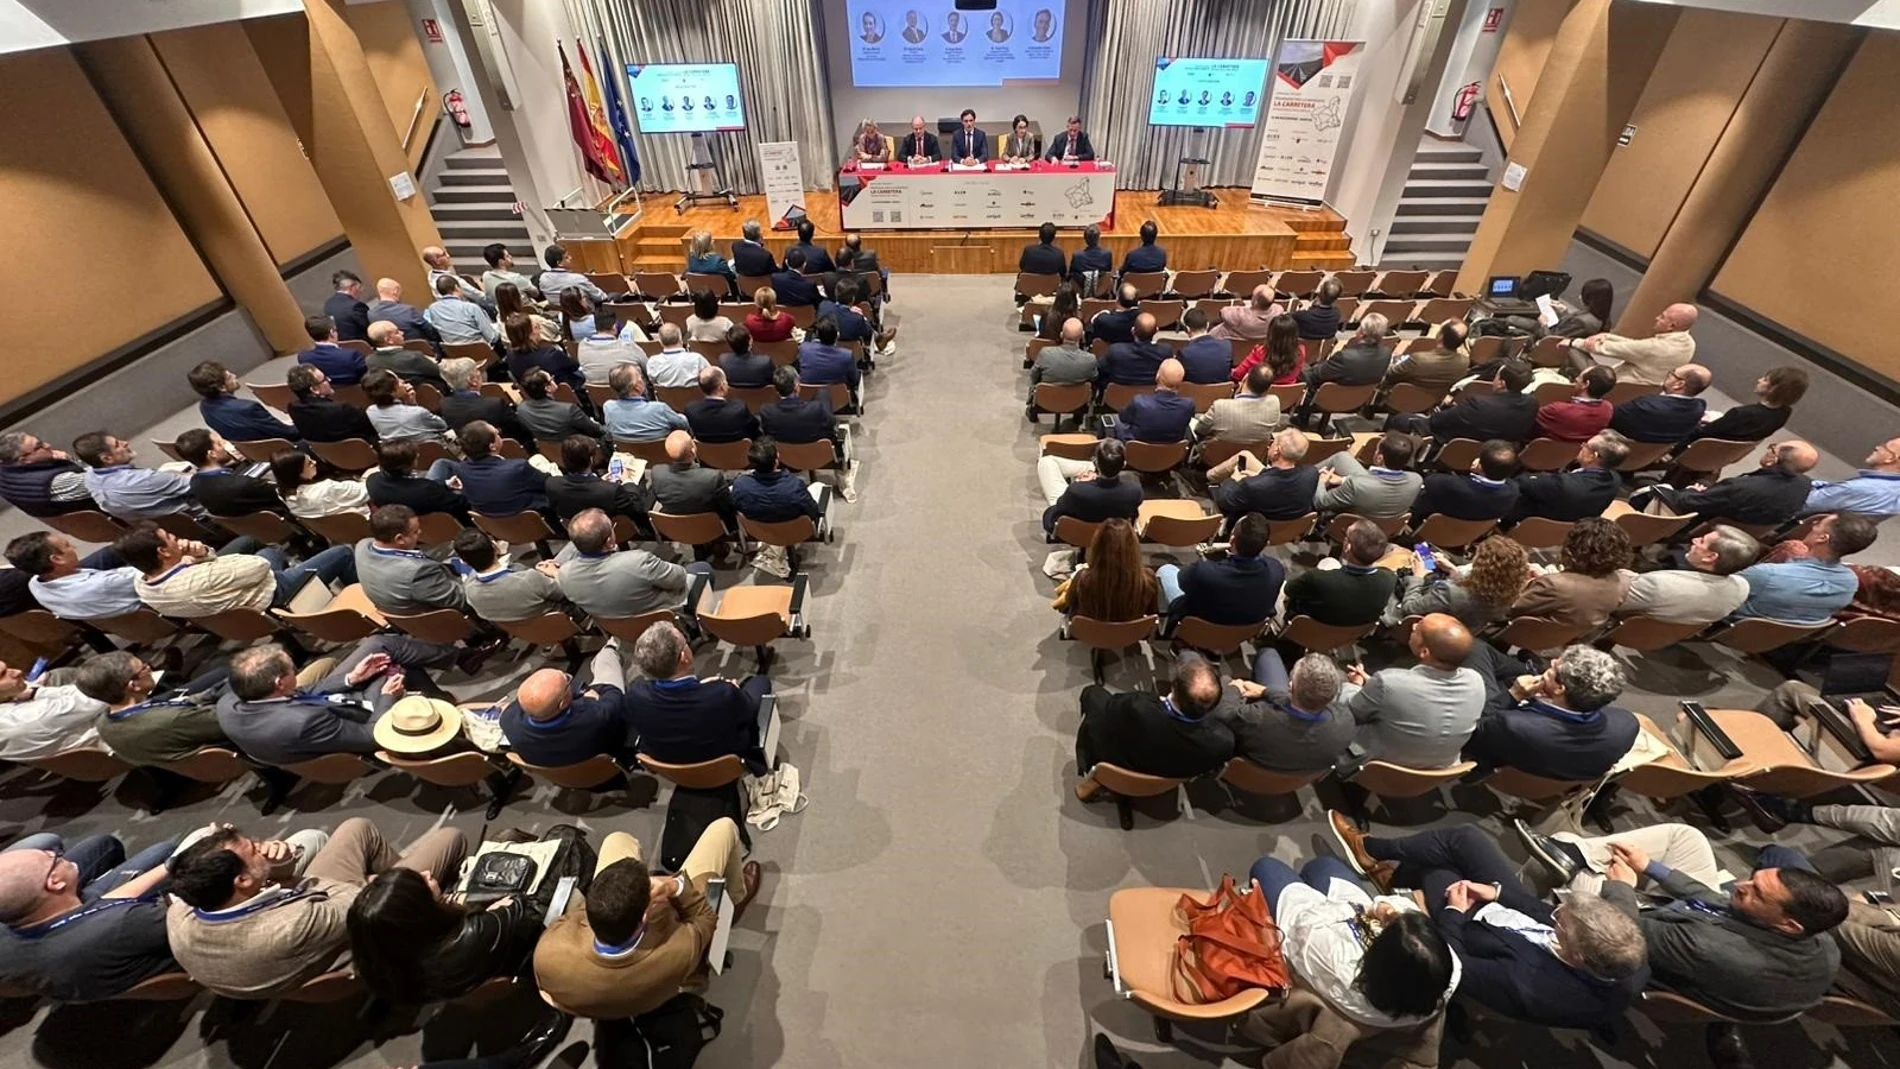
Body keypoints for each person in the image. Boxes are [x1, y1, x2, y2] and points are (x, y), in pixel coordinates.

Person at [1326, 818, 1646, 1031]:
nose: (1556, 913)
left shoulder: (1526, 985)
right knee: (1464, 839)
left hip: (1471, 934)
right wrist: (1498, 892)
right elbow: (1542, 912)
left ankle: (1393, 878)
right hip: (1503, 915)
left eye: (1562, 923)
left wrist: (1453, 911)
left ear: (1578, 956)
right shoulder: (1629, 950)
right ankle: (1373, 853)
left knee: (1439, 868)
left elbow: (1453, 966)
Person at [1517, 821, 1846, 1022]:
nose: (1740, 885)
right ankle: (1570, 854)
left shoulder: (1705, 947)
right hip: (1698, 925)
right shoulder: (1822, 943)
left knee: (1587, 871)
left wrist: (1621, 885)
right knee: (1685, 837)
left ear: (1790, 926)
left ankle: (1521, 898)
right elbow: (1720, 902)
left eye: (1757, 892)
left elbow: (1623, 931)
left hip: (1632, 945)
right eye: (1753, 879)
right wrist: (1650, 867)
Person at [167, 818, 466, 998]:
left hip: (292, 922)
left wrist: (278, 864)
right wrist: (380, 882)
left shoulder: (180, 910)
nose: (261, 846)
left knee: (357, 828)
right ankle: (428, 908)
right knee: (450, 838)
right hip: (339, 930)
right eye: (254, 850)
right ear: (242, 879)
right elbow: (361, 899)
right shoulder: (294, 924)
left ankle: (414, 893)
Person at [534, 819, 758, 1020]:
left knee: (617, 839)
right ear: (645, 914)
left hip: (605, 993)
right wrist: (674, 886)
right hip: (667, 966)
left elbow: (572, 918)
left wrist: (605, 901)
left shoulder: (547, 953)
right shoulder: (678, 951)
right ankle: (738, 897)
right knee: (724, 827)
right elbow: (704, 919)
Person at [1243, 850, 1457, 1037]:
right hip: (1347, 914)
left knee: (1265, 866)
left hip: (1309, 925)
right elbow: (1409, 913)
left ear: (1380, 958)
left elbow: (1304, 924)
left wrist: (1364, 911)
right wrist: (1387, 909)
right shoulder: (1440, 969)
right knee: (1324, 864)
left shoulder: (1341, 967)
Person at [0, 830, 196, 1001]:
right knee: (164, 851)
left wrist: (167, 866)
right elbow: (194, 914)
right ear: (55, 882)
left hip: (82, 947)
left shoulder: (8, 943)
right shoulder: (124, 922)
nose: (54, 851)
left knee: (106, 846)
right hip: (163, 942)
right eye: (52, 857)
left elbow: (102, 910)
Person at [215, 638, 453, 765]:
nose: (297, 673)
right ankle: (442, 716)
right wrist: (389, 695)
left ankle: (449, 684)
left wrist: (352, 678)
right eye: (293, 670)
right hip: (356, 723)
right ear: (279, 683)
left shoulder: (232, 700)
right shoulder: (304, 722)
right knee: (398, 668)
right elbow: (371, 737)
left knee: (378, 647)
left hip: (328, 705)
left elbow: (303, 691)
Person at [346, 861, 543, 1005]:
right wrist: (492, 910)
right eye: (421, 883)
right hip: (530, 954)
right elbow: (527, 909)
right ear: (419, 912)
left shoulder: (392, 962)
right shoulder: (475, 932)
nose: (426, 872)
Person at [1464, 644, 1638, 779]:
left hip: (1502, 757)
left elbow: (1470, 732)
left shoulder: (1512, 724)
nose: (1552, 661)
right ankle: (1530, 667)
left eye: (1553, 668)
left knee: (1476, 649)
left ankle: (1527, 667)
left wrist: (1514, 694)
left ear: (1560, 689)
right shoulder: (1627, 724)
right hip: (1548, 771)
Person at [118, 521, 356, 617]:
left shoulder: (143, 584)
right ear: (164, 552)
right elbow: (259, 568)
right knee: (343, 552)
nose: (177, 538)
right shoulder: (204, 575)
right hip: (270, 592)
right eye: (170, 538)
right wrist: (200, 554)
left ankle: (304, 574)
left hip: (224, 601)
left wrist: (191, 560)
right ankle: (361, 594)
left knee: (254, 544)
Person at [625, 620, 772, 769]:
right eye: (686, 642)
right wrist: (735, 691)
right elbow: (748, 713)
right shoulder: (723, 694)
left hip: (672, 762)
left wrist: (703, 687)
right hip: (723, 760)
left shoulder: (635, 696)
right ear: (684, 657)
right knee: (760, 682)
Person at [1074, 656, 1232, 791]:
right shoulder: (1223, 742)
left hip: (1120, 762)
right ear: (1216, 703)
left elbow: (1112, 707)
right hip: (1166, 779)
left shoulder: (1138, 707)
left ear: (1174, 686)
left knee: (1093, 693)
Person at [1347, 613, 1483, 767]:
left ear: (1425, 652)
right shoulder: (1476, 681)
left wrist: (1357, 685)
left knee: (1343, 692)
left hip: (1380, 764)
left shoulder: (1389, 682)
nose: (1413, 625)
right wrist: (1374, 685)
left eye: (1418, 628)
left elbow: (1353, 711)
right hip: (1436, 771)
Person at [75, 651, 234, 765]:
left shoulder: (103, 724)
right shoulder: (172, 718)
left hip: (171, 742)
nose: (150, 668)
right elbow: (232, 718)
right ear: (133, 685)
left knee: (220, 674)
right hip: (224, 744)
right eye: (143, 668)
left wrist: (208, 694)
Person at [558, 508, 707, 620]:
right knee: (702, 568)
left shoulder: (564, 575)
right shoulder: (638, 561)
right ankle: (693, 623)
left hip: (619, 627)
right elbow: (679, 579)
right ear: (610, 542)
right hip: (661, 617)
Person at [1633, 438, 1818, 527]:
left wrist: (1693, 491)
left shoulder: (1740, 487)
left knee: (1657, 491)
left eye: (1772, 448)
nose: (1768, 449)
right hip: (1738, 523)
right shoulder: (1804, 485)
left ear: (1773, 460)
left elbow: (1685, 502)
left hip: (1703, 520)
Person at [500, 645, 634, 766]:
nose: (570, 679)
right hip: (607, 746)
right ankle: (610, 647)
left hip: (566, 769)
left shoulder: (507, 721)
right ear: (563, 704)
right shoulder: (595, 717)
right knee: (605, 658)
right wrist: (590, 694)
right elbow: (613, 694)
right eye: (567, 680)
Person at [1219, 650, 1354, 771]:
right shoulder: (1346, 722)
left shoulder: (1257, 717)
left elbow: (1223, 713)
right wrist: (1265, 691)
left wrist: (1234, 688)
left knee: (1227, 679)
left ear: (1290, 686)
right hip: (1291, 771)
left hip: (1253, 762)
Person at [1731, 511, 1875, 623]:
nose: (1813, 525)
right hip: (1777, 639)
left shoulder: (1767, 573)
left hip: (1731, 625)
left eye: (1819, 524)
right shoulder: (1851, 582)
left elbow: (1724, 591)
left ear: (1822, 538)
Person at [1157, 513, 1283, 627]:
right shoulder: (1276, 571)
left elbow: (1183, 581)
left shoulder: (1204, 571)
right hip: (1241, 631)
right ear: (1266, 544)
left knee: (1167, 570)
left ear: (1232, 540)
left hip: (1200, 624)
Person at [1618, 524, 1759, 625]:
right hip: (1669, 636)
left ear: (1710, 557)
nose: (1694, 541)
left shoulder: (1658, 584)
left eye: (1702, 541)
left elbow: (1612, 601)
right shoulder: (1742, 587)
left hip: (1632, 623)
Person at [1388, 534, 1528, 631]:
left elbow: (1410, 609)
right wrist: (1452, 570)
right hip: (1457, 627)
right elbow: (1473, 592)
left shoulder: (1450, 592)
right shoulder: (1508, 595)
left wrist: (1418, 576)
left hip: (1419, 625)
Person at [1511, 517, 1631, 630]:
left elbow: (1510, 609)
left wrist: (1525, 582)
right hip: (1563, 639)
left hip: (1524, 631)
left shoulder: (1553, 585)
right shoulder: (1622, 584)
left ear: (1573, 547)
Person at [356, 504, 469, 614]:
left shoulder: (362, 546)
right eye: (415, 532)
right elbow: (463, 600)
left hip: (394, 600)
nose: (420, 533)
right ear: (399, 539)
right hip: (436, 618)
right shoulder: (418, 572)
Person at [1284, 519, 1399, 627]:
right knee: (1329, 562)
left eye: (1346, 535)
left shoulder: (1318, 578)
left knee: (1279, 583)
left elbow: (1289, 590)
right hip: (1349, 631)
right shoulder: (1389, 578)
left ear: (1347, 547)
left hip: (1309, 625)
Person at [74, 430, 204, 522]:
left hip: (170, 532)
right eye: (117, 445)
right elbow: (204, 483)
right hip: (205, 517)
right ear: (107, 458)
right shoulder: (147, 479)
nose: (125, 442)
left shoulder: (90, 478)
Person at [7, 532, 139, 621]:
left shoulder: (35, 585)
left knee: (114, 551)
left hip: (101, 615)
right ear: (57, 559)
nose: (74, 546)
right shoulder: (106, 583)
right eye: (67, 546)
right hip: (137, 608)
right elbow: (151, 573)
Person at [1506, 429, 1629, 523]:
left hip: (1536, 519)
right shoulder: (1615, 481)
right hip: (1571, 525)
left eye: (1586, 445)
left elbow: (1523, 482)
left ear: (1593, 456)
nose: (1582, 446)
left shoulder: (1563, 485)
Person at [1404, 361, 1540, 445]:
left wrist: (1452, 411)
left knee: (1401, 419)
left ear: (1501, 383)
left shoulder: (1477, 404)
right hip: (1494, 452)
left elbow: (1436, 421)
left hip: (1453, 445)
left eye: (1496, 376)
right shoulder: (1532, 404)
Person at [0, 657, 109, 759]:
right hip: (107, 738)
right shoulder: (34, 715)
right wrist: (36, 692)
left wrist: (32, 692)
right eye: (3, 674)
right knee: (108, 668)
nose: (18, 671)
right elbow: (100, 695)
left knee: (57, 675)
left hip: (65, 755)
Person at [455, 528, 569, 623]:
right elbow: (565, 592)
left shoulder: (469, 590)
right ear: (495, 547)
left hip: (526, 630)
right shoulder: (528, 578)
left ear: (465, 562)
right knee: (574, 548)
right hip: (563, 616)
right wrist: (554, 573)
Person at [1568, 302, 1699, 384]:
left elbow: (1607, 349)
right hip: (1645, 389)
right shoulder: (1689, 344)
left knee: (1574, 351)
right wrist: (1607, 336)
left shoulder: (1654, 347)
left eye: (1662, 317)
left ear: (1672, 325)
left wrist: (1573, 342)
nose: (1657, 318)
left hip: (1618, 385)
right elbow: (1635, 345)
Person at [1208, 428, 1320, 523]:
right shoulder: (1312, 474)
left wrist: (1233, 479)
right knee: (1245, 455)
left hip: (1252, 522)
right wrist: (1261, 475)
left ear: (1277, 450)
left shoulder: (1251, 486)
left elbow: (1224, 501)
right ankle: (1209, 475)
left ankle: (1206, 479)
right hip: (1284, 523)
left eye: (1273, 442)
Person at [1056, 519, 1157, 622]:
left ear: (1097, 545)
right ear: (1134, 547)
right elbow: (1151, 611)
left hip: (1091, 632)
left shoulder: (1083, 577)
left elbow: (1069, 602)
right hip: (1130, 634)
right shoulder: (1148, 579)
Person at [1680, 366, 1806, 448]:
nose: (1759, 380)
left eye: (1766, 380)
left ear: (1774, 389)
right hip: (1723, 455)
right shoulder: (1784, 413)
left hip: (1697, 449)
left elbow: (1700, 435)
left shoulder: (1740, 413)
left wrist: (1696, 421)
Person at [1038, 437, 1141, 535]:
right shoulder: (1135, 491)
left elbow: (1052, 519)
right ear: (1124, 464)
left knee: (1046, 462)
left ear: (1096, 462)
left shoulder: (1076, 490)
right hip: (1112, 535)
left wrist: (1080, 483)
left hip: (1078, 532)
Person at [546, 435, 652, 526]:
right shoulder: (612, 490)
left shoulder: (552, 484)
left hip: (578, 528)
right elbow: (637, 509)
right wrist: (627, 481)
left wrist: (599, 481)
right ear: (591, 459)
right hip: (612, 529)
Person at [177, 429, 286, 517]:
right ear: (212, 454)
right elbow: (285, 493)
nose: (225, 445)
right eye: (220, 444)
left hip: (249, 528)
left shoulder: (195, 484)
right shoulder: (244, 484)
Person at [1410, 439, 1520, 526]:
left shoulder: (1451, 485)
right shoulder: (1513, 491)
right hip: (1468, 533)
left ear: (1479, 466)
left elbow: (1430, 480)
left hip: (1436, 524)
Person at [1313, 432, 1422, 518]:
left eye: (1377, 449)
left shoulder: (1355, 485)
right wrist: (1343, 480)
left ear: (1380, 458)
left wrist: (1321, 481)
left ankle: (1304, 476)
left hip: (1358, 523)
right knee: (1341, 457)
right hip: (1380, 513)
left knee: (1315, 475)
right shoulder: (1416, 480)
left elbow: (1320, 502)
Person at [453, 421, 549, 518]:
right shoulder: (518, 468)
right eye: (497, 433)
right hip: (533, 516)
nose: (499, 435)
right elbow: (547, 484)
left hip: (497, 527)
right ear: (492, 446)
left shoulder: (460, 469)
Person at [189, 361, 299, 444]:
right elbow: (289, 434)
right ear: (221, 387)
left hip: (252, 452)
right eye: (229, 377)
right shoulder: (248, 407)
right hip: (283, 448)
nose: (234, 376)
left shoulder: (204, 407)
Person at [731, 438, 829, 528]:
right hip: (794, 529)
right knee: (818, 486)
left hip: (759, 530)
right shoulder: (795, 486)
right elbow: (813, 511)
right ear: (776, 460)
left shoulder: (740, 485)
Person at [366, 441, 470, 525]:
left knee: (441, 464)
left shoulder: (372, 481)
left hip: (410, 516)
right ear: (407, 465)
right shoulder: (425, 490)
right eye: (415, 457)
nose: (419, 455)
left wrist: (445, 485)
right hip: (443, 521)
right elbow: (463, 504)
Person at [651, 431, 735, 529]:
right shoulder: (712, 477)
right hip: (711, 526)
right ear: (693, 451)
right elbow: (728, 507)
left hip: (677, 528)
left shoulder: (657, 472)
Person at [0, 431, 96, 516]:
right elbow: (103, 483)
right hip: (99, 516)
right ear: (25, 460)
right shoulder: (56, 481)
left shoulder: (4, 475)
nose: (47, 445)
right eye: (39, 446)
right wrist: (70, 459)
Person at [1608, 363, 1712, 442]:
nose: (1668, 375)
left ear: (1679, 384)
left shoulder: (1646, 405)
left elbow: (1610, 417)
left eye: (1672, 373)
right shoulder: (1699, 408)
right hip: (1646, 457)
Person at [439, 359, 534, 445]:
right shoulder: (495, 405)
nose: (479, 372)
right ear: (472, 381)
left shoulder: (445, 404)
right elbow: (522, 430)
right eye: (477, 370)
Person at [1804, 434, 1900, 518]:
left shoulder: (1859, 488)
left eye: (1884, 446)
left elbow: (1802, 504)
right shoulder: (1894, 489)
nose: (1877, 447)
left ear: (1891, 458)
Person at [286, 364, 378, 444]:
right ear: (315, 389)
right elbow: (372, 427)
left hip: (328, 457)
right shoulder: (342, 409)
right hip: (359, 453)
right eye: (325, 379)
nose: (329, 380)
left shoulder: (293, 408)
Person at [1300, 312, 1391, 391]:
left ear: (1362, 333)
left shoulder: (1345, 357)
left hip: (1328, 398)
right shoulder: (1386, 353)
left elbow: (1315, 376)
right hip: (1358, 400)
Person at [1192, 363, 1279, 445]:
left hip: (1217, 457)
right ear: (1269, 388)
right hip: (1254, 455)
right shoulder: (1274, 403)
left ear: (1245, 378)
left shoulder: (1220, 407)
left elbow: (1199, 430)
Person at [364, 368, 455, 446]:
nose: (403, 381)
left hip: (400, 456)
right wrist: (414, 406)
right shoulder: (418, 413)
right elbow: (442, 426)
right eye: (398, 381)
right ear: (393, 392)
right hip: (436, 451)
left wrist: (410, 404)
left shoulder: (371, 411)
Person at [271, 448, 369, 520]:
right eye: (309, 463)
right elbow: (368, 490)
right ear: (299, 473)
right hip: (365, 519)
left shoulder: (284, 495)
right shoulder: (327, 488)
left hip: (336, 531)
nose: (314, 462)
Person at [1112, 359, 1195, 443]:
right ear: (1181, 382)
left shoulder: (1140, 402)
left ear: (1157, 376)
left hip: (1139, 450)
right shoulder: (1188, 405)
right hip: (1171, 452)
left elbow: (1123, 417)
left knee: (1114, 420)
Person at [502, 314, 586, 397]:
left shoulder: (509, 354)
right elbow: (574, 366)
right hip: (567, 392)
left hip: (535, 395)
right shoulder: (550, 355)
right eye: (536, 327)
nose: (540, 329)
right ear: (530, 335)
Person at [1027, 317, 1097, 416]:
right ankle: (1077, 417)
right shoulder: (1090, 359)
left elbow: (1033, 375)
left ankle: (1032, 410)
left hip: (1047, 399)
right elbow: (1094, 378)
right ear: (1082, 336)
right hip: (1077, 401)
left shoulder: (1046, 353)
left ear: (1061, 334)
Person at [603, 362, 688, 442]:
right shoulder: (659, 409)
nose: (643, 379)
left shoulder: (608, 408)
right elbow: (683, 424)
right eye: (641, 377)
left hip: (627, 455)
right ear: (637, 387)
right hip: (662, 456)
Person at [515, 368, 604, 445]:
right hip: (580, 449)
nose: (554, 380)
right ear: (548, 388)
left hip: (552, 453)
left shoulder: (521, 409)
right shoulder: (569, 410)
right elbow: (597, 431)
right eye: (551, 379)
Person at [1382, 321, 1469, 395]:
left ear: (1440, 336)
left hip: (1401, 397)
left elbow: (1390, 374)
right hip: (1430, 403)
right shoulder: (1464, 362)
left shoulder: (1418, 359)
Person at [1534, 365, 1616, 441]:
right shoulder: (1608, 409)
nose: (1576, 378)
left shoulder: (1558, 409)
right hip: (1575, 452)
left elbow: (1530, 417)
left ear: (1586, 384)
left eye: (1580, 376)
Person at [367, 321, 450, 393]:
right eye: (397, 332)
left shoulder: (369, 361)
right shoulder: (413, 357)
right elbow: (440, 372)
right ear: (389, 340)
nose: (402, 333)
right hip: (434, 397)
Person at [685, 367, 760, 444]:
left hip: (707, 455)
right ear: (722, 386)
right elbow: (754, 429)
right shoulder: (739, 409)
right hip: (739, 453)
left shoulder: (691, 410)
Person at [1098, 312, 1172, 388]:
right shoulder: (1165, 352)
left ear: (1133, 331)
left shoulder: (1116, 350)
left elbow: (1100, 368)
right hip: (1149, 394)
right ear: (1156, 331)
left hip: (1119, 395)